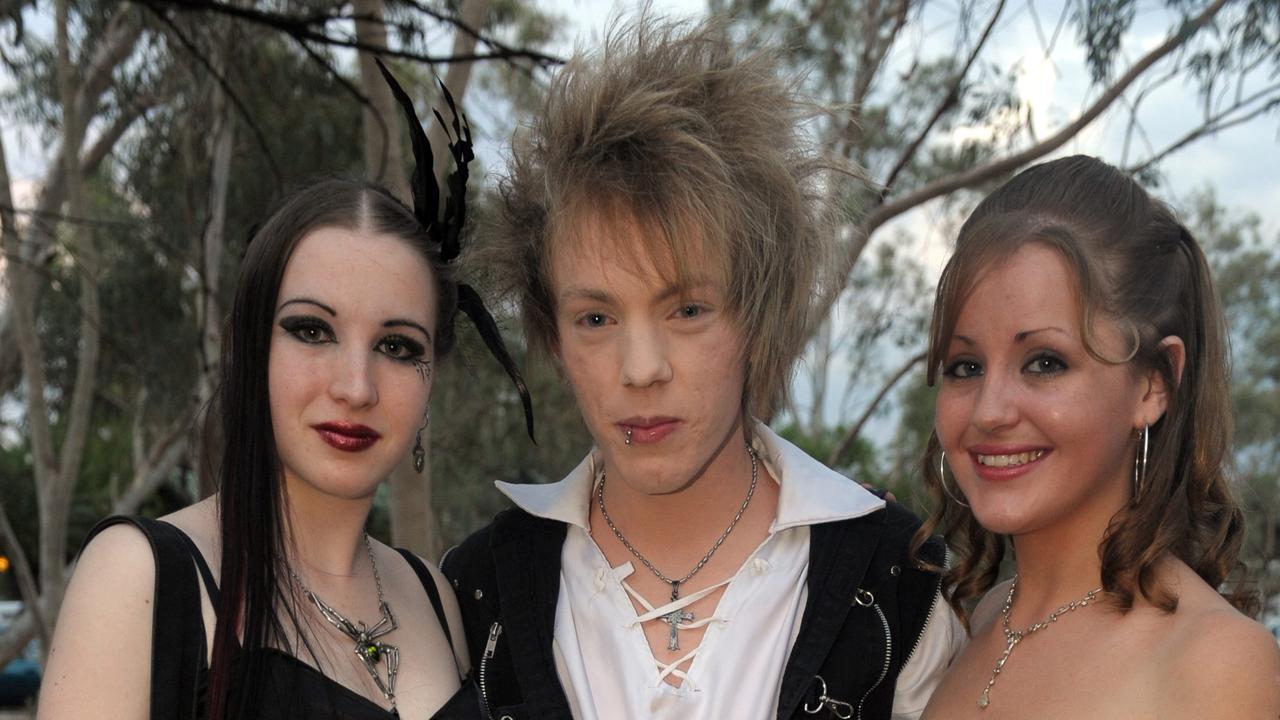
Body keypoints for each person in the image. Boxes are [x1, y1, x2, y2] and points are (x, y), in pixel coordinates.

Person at [441, 16, 965, 720]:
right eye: (596, 319)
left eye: (687, 310)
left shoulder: (900, 584)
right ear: (554, 338)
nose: (642, 369)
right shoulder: (475, 592)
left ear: (756, 314)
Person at [37, 65, 531, 719]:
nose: (355, 387)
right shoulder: (145, 579)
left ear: (431, 375)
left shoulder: (435, 596)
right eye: (311, 330)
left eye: (397, 346)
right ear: (252, 347)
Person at [916, 155, 1280, 718]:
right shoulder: (985, 619)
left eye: (1044, 362)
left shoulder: (1217, 664)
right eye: (965, 366)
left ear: (1154, 383)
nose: (989, 411)